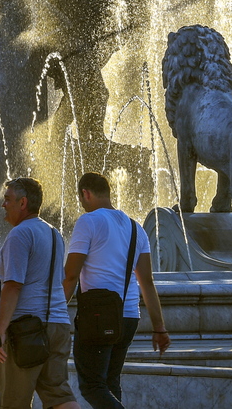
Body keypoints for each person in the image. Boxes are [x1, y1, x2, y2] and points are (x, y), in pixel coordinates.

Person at [63, 172, 171, 409]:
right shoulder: (136, 228)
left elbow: (71, 275)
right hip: (129, 317)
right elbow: (147, 282)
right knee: (110, 382)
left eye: (81, 198)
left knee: (92, 386)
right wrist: (159, 328)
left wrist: (55, 313)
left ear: (86, 193)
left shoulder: (88, 221)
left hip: (98, 317)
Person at [0, 178, 80, 409]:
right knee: (58, 394)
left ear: (23, 203)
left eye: (7, 199)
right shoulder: (53, 233)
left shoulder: (19, 235)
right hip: (58, 324)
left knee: (14, 401)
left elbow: (13, 285)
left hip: (25, 329)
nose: (3, 204)